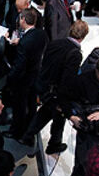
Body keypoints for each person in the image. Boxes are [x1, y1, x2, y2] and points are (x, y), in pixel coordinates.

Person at [23, 19, 88, 154]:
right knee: (59, 118)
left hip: (43, 85)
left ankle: (29, 135)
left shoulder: (55, 43)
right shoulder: (75, 54)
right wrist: (65, 101)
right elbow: (67, 80)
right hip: (56, 91)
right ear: (83, 36)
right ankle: (54, 144)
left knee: (46, 112)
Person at [4, 8, 48, 145]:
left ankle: (16, 131)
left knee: (19, 107)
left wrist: (10, 77)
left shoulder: (25, 43)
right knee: (31, 105)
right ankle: (28, 130)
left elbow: (20, 66)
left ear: (23, 19)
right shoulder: (42, 34)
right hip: (35, 76)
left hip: (23, 80)